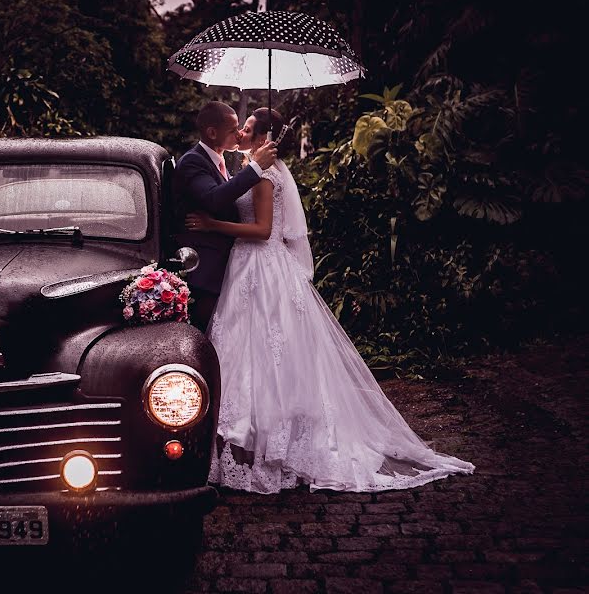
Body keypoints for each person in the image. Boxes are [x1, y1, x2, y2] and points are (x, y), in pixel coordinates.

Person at [187, 108, 475, 493]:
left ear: (263, 139)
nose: (241, 132)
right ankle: (245, 437)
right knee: (244, 351)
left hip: (260, 265)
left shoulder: (267, 175)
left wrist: (212, 225)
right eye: (239, 127)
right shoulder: (247, 167)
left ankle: (273, 441)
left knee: (269, 355)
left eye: (249, 129)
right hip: (243, 269)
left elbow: (262, 230)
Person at [173, 101, 278, 334]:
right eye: (233, 130)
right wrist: (255, 168)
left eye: (240, 128)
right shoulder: (193, 161)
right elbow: (213, 198)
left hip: (227, 270)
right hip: (204, 274)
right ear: (212, 133)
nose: (239, 134)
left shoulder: (219, 162)